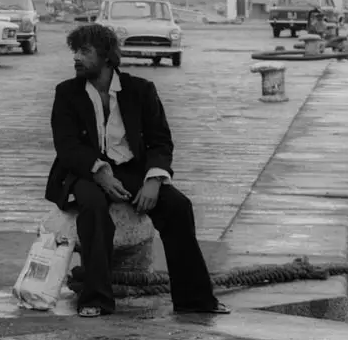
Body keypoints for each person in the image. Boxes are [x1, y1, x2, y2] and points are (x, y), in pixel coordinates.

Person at [45, 23, 229, 318]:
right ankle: (95, 299)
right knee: (92, 208)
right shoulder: (67, 93)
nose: (77, 58)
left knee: (179, 207)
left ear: (107, 56)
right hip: (84, 171)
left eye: (85, 51)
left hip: (132, 170)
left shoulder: (141, 90)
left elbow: (160, 141)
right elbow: (67, 147)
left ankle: (195, 300)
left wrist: (154, 179)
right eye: (75, 51)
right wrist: (99, 172)